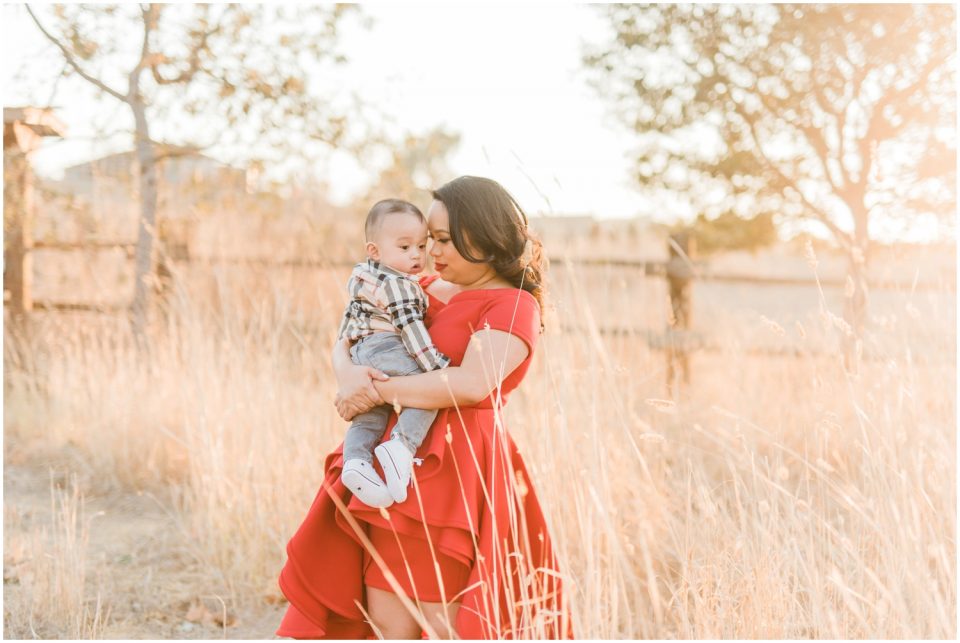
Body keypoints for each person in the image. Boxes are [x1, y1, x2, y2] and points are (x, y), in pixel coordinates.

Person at [277, 176, 572, 639]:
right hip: (390, 466)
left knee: (441, 625)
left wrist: (376, 391)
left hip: (455, 472)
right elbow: (351, 335)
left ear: (485, 235)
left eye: (443, 239)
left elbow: (471, 384)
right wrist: (347, 374)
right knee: (385, 619)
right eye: (427, 239)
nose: (430, 251)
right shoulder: (421, 286)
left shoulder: (512, 305)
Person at [337, 199, 450, 508]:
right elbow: (411, 329)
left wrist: (346, 363)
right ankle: (401, 445)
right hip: (387, 347)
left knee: (371, 414)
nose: (416, 254)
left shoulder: (363, 277)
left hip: (361, 351)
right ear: (375, 250)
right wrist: (434, 367)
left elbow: (347, 326)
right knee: (428, 391)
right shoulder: (398, 284)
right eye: (404, 247)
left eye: (420, 246)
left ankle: (357, 463)